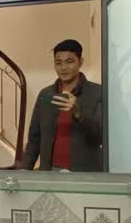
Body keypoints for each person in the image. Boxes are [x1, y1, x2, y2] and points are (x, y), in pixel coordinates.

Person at [20, 39, 102, 172]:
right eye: (58, 63)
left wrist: (78, 112)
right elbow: (34, 138)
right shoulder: (46, 94)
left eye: (69, 62)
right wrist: (25, 169)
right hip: (49, 173)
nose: (63, 68)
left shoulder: (97, 92)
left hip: (84, 174)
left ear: (80, 62)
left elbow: (100, 137)